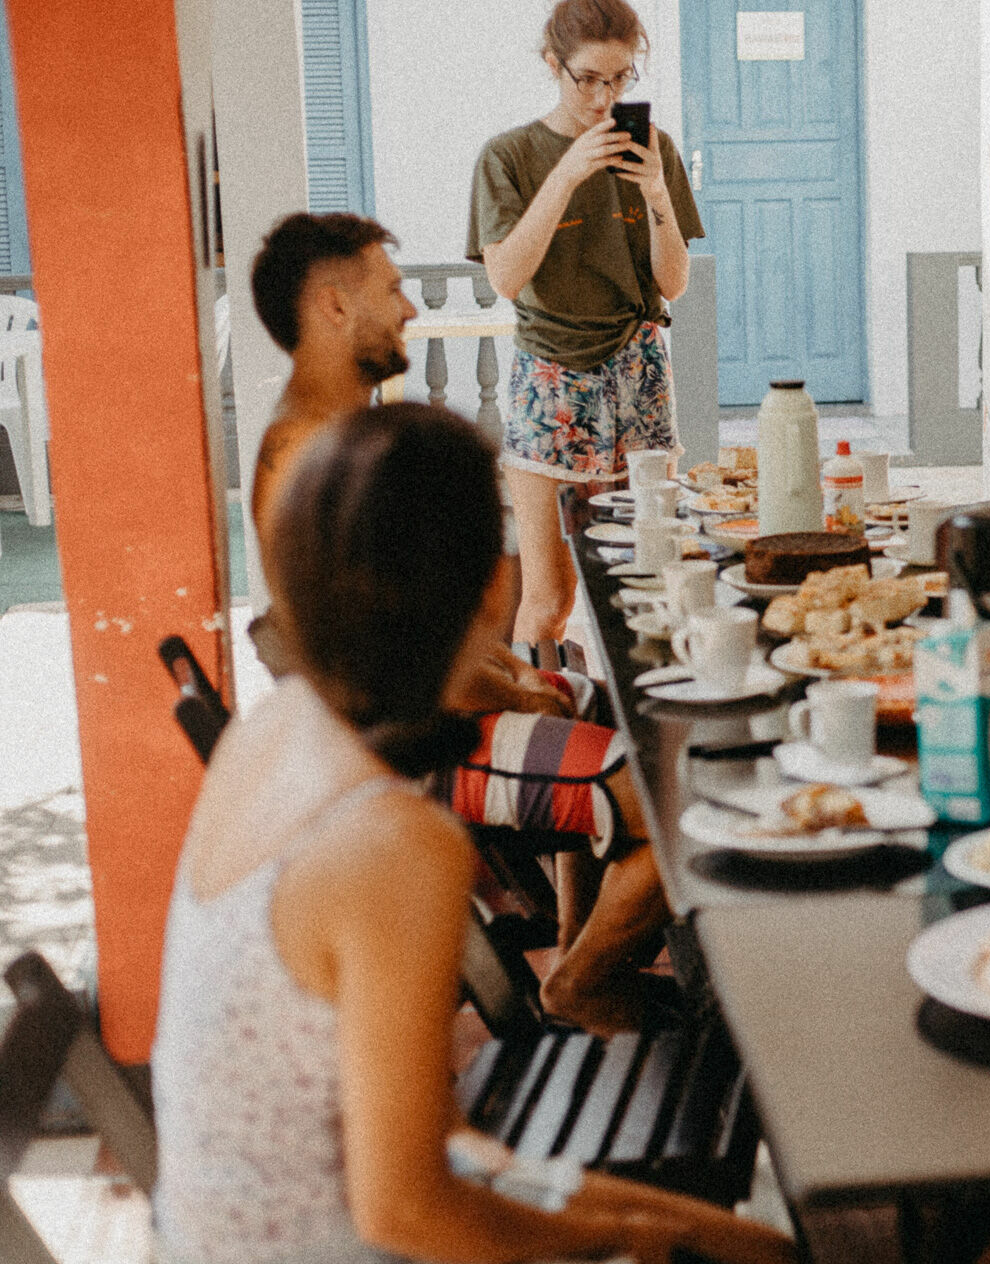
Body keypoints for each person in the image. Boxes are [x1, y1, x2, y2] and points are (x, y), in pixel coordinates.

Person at [152, 404, 795, 1264]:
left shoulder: (272, 731)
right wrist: (625, 1236)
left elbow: (432, 1150)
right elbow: (409, 1214)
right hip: (355, 1242)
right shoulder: (392, 844)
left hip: (234, 1237)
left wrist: (643, 1223)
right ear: (494, 587)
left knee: (747, 1246)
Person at [248, 211, 666, 1035]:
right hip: (410, 746)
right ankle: (582, 981)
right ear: (333, 308)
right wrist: (509, 689)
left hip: (444, 701)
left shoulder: (347, 438)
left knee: (601, 701)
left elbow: (422, 616)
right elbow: (391, 653)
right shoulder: (320, 462)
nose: (409, 310)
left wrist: (518, 678)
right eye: (394, 290)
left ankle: (575, 940)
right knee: (666, 797)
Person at [469, 0, 703, 645]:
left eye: (621, 78)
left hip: (639, 371)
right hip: (550, 378)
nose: (604, 98)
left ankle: (649, 735)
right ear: (552, 63)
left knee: (647, 582)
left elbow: (674, 282)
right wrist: (568, 172)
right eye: (589, 79)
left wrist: (655, 186)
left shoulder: (654, 148)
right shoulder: (508, 156)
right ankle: (534, 732)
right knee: (548, 600)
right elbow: (507, 277)